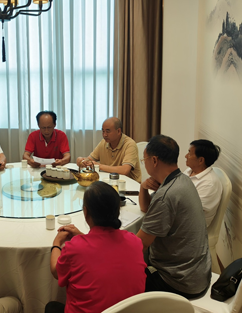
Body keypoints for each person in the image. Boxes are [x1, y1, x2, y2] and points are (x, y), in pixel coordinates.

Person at [47, 181, 146, 313]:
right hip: (130, 310)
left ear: (86, 211)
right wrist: (82, 236)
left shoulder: (75, 248)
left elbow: (56, 272)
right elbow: (104, 251)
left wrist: (56, 243)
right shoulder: (135, 242)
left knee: (51, 307)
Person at [137, 135, 211, 298]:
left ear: (154, 160)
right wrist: (143, 187)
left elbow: (139, 245)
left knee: (116, 277)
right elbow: (146, 208)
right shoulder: (182, 180)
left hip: (177, 282)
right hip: (198, 273)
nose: (144, 163)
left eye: (144, 160)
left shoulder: (166, 195)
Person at [76, 117, 141, 182]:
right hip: (108, 182)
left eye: (108, 131)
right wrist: (82, 161)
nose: (104, 135)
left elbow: (125, 170)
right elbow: (90, 160)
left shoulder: (130, 144)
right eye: (103, 131)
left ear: (118, 131)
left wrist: (99, 166)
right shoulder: (103, 143)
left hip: (129, 184)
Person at [184, 139, 222, 227]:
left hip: (190, 227)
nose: (186, 156)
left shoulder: (209, 184)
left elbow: (190, 212)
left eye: (189, 154)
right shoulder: (189, 171)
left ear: (201, 160)